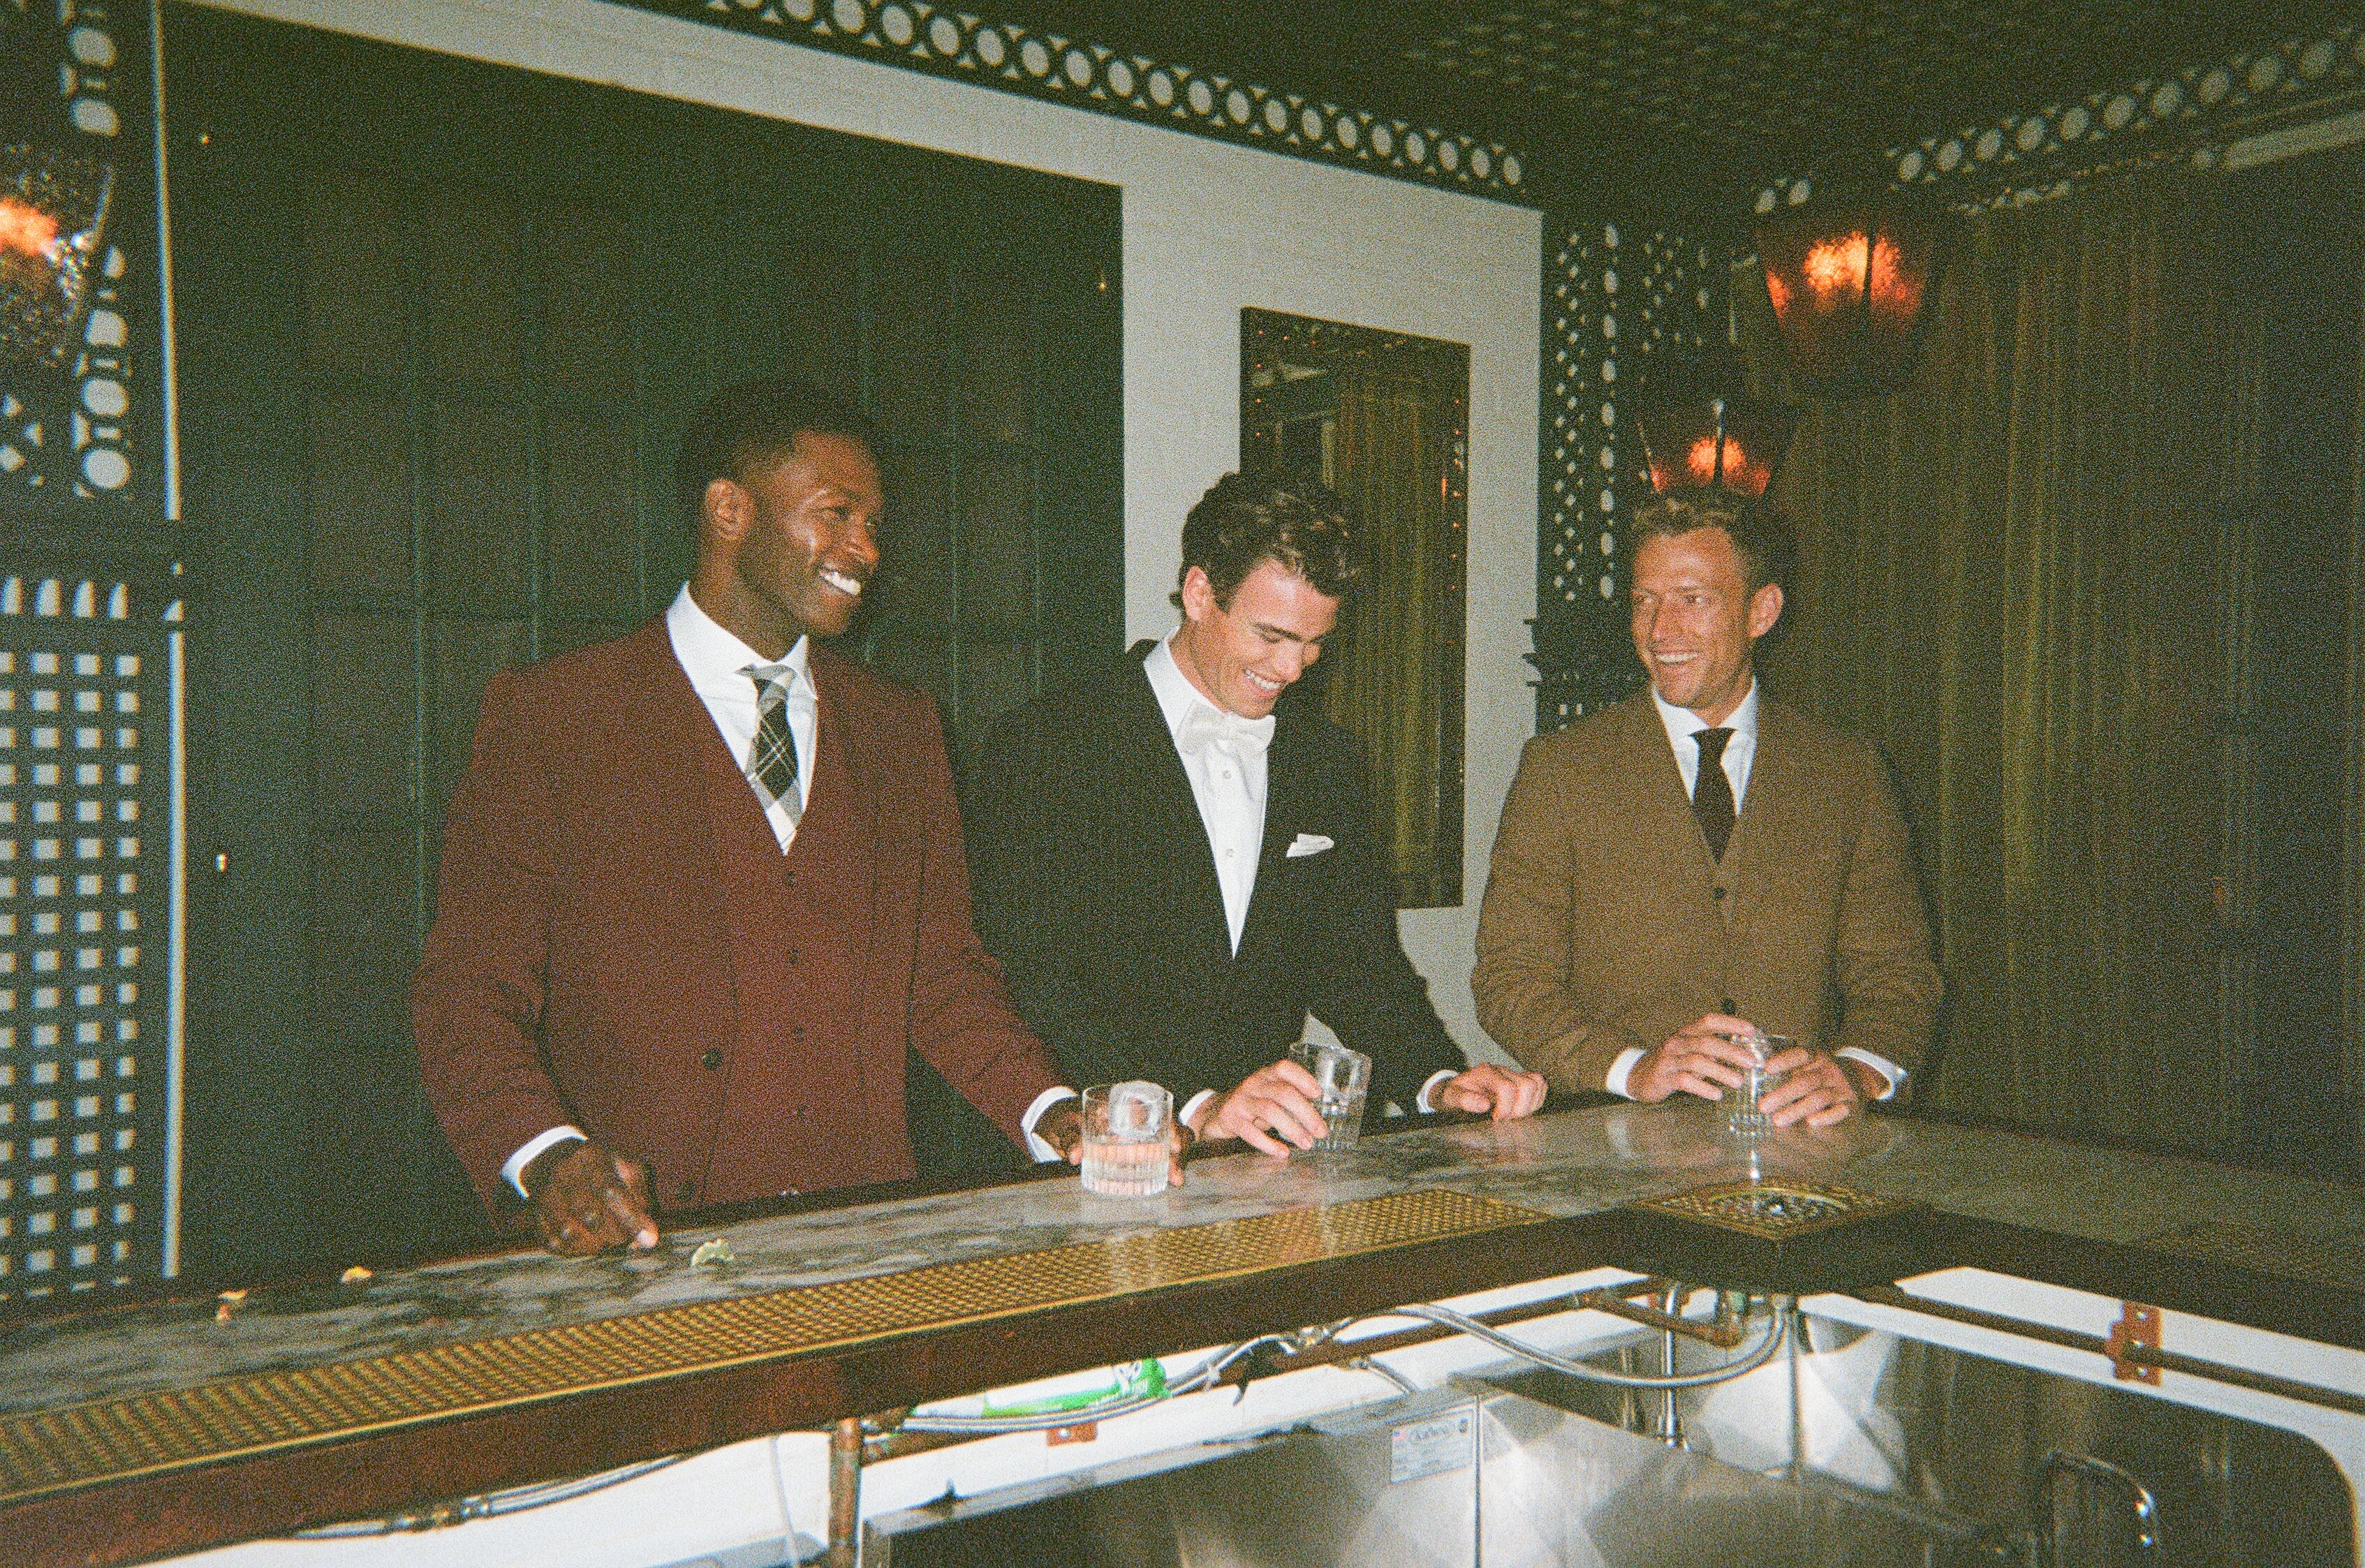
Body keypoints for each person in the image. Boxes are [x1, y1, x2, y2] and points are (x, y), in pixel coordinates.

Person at [413, 379, 1113, 1255]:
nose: (864, 549)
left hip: (862, 1241)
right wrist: (546, 1152)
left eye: (874, 524)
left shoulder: (903, 729)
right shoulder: (556, 716)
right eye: (836, 512)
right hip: (636, 1254)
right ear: (728, 510)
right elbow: (467, 993)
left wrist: (1052, 1110)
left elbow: (942, 975)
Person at [966, 472, 1545, 1157]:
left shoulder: (1327, 759)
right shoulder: (1049, 741)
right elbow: (1035, 975)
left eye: (1313, 642)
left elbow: (1359, 963)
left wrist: (1438, 1078)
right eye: (1271, 635)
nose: (1294, 667)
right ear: (1201, 593)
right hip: (1094, 1154)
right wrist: (1191, 1102)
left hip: (1257, 1160)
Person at [1472, 487, 1940, 1127]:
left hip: (1799, 1151)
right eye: (1644, 603)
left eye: (1693, 601)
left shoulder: (1846, 774)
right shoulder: (1561, 769)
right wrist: (1630, 1069)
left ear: (1762, 611)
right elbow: (1509, 978)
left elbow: (1899, 979)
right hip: (1611, 1149)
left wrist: (1857, 1072)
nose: (1661, 633)